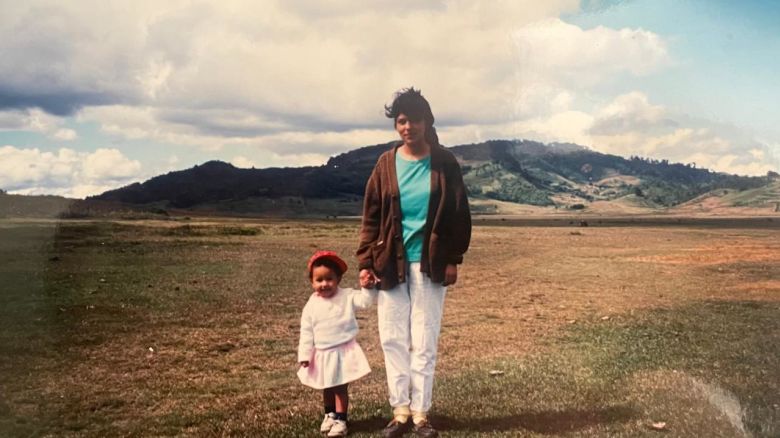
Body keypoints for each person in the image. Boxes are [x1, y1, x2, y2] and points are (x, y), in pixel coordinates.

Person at [357, 87, 471, 438]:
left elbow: (458, 214)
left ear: (427, 122)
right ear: (396, 126)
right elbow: (371, 215)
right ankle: (400, 411)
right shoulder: (385, 164)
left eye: (415, 120)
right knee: (392, 338)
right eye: (401, 121)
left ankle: (421, 415)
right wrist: (365, 261)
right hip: (389, 263)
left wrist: (453, 259)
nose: (408, 127)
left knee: (424, 339)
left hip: (430, 265)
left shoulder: (444, 162)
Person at [297, 250, 375, 437]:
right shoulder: (312, 304)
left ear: (338, 278)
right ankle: (330, 414)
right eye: (319, 280)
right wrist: (304, 355)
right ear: (312, 281)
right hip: (322, 352)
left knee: (339, 386)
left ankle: (341, 419)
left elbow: (365, 302)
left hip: (342, 350)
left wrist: (366, 287)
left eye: (329, 279)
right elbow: (306, 331)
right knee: (327, 385)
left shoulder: (347, 296)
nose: (324, 284)